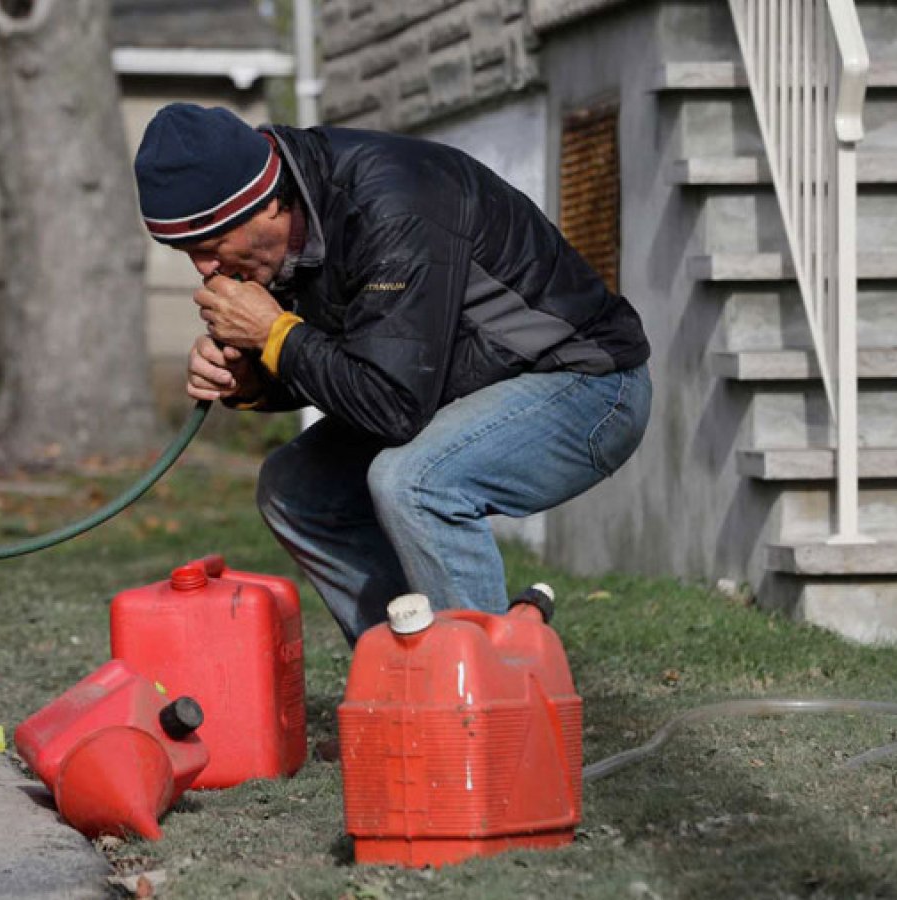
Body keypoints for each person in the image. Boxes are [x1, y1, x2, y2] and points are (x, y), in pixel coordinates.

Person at [133, 103, 652, 644]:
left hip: (592, 386)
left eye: (210, 248)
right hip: (456, 390)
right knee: (294, 487)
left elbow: (391, 406)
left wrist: (274, 336)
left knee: (416, 481)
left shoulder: (393, 205)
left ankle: (481, 695)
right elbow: (356, 366)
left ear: (265, 207)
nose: (205, 270)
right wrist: (252, 379)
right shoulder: (281, 236)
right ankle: (401, 671)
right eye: (186, 253)